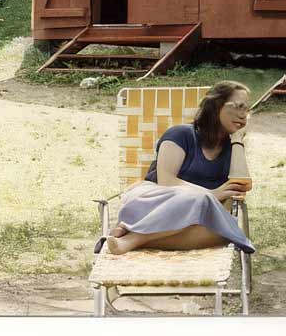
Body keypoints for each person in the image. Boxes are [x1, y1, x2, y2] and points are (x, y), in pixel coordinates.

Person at [104, 80, 255, 256]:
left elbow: (240, 186)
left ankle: (134, 237)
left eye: (247, 109)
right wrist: (212, 194)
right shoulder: (180, 134)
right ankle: (135, 237)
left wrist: (237, 140)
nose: (243, 115)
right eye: (238, 107)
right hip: (154, 201)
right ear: (215, 106)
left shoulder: (232, 148)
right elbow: (166, 181)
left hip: (196, 214)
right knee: (199, 200)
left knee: (224, 233)